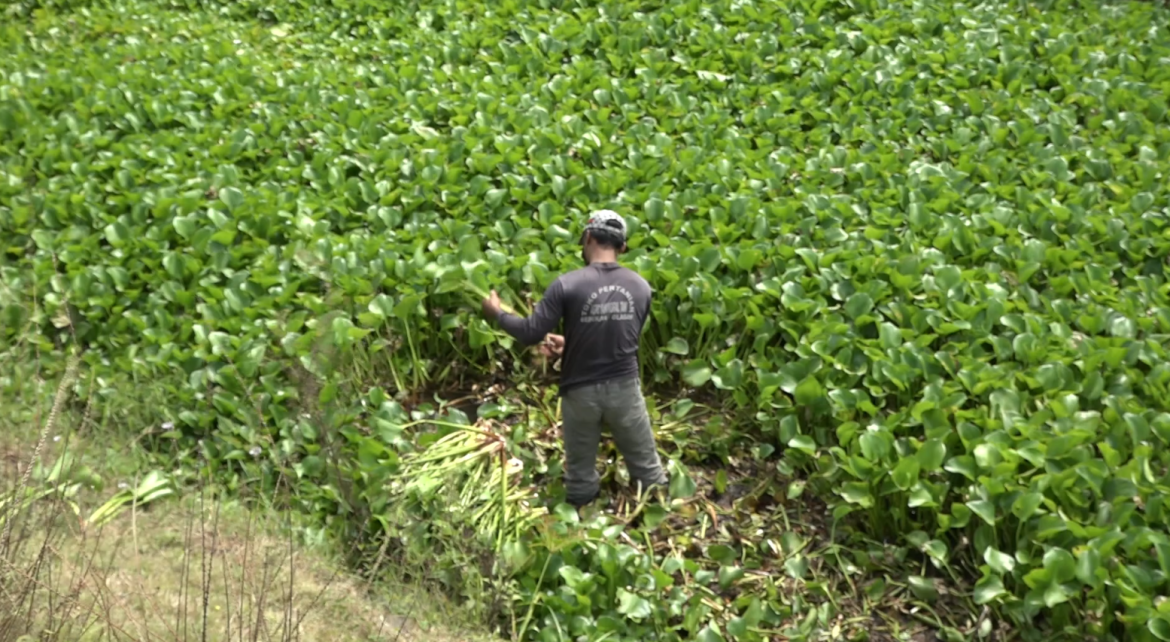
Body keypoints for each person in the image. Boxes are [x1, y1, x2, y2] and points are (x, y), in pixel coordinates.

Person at [481, 209, 669, 508]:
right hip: (624, 390)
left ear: (589, 237)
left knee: (579, 478)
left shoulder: (567, 284)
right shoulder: (641, 287)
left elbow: (531, 333)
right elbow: (621, 338)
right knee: (648, 470)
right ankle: (659, 516)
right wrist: (572, 344)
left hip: (580, 392)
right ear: (621, 247)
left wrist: (498, 314)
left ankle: (579, 527)